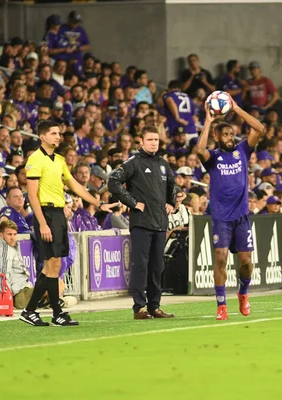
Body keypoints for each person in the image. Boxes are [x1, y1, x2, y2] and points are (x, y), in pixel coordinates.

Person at [19, 120, 116, 327]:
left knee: (53, 265)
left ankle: (32, 311)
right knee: (53, 264)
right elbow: (32, 195)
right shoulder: (35, 159)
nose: (57, 137)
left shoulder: (60, 160)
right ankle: (55, 313)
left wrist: (97, 203)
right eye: (53, 133)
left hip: (58, 213)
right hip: (46, 213)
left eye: (58, 133)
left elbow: (73, 185)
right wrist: (43, 223)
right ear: (42, 137)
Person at [195, 94, 265, 320]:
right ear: (216, 137)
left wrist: (236, 108)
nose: (229, 137)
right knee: (221, 257)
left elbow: (259, 128)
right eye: (224, 134)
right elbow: (198, 151)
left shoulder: (243, 150)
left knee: (246, 263)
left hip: (242, 216)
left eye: (231, 133)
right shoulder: (213, 157)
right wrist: (208, 121)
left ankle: (243, 293)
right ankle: (221, 304)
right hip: (221, 218)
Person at [108, 125, 177, 320]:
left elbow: (172, 185)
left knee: (157, 266)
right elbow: (113, 181)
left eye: (156, 139)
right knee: (140, 266)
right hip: (141, 223)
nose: (154, 142)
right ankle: (139, 308)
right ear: (142, 141)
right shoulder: (134, 163)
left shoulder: (163, 164)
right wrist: (132, 203)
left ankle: (154, 306)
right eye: (150, 139)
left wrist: (171, 203)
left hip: (160, 223)